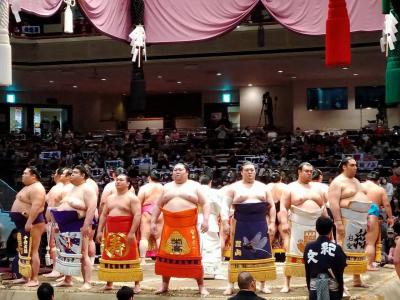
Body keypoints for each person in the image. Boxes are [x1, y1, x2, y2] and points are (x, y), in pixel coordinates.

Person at [150, 163, 210, 296]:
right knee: (166, 256)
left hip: (188, 226)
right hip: (169, 226)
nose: (177, 172)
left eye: (180, 169)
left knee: (193, 256)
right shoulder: (166, 187)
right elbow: (158, 205)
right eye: (175, 169)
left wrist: (206, 220)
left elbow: (205, 203)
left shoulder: (195, 186)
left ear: (187, 172)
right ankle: (165, 285)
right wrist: (153, 221)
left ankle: (201, 286)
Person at [222, 162, 277, 295]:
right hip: (241, 223)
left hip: (260, 222)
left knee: (262, 252)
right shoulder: (233, 187)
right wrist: (225, 222)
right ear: (241, 172)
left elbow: (272, 207)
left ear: (255, 172)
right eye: (247, 170)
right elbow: (224, 206)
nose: (250, 172)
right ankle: (231, 284)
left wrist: (272, 223)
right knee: (237, 253)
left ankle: (263, 284)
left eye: (252, 170)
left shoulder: (263, 187)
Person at [279, 162, 327, 293]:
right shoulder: (290, 187)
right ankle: (286, 283)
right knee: (291, 252)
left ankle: (315, 282)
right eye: (306, 171)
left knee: (317, 254)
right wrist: (284, 222)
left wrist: (327, 224)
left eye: (311, 171)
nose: (309, 173)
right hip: (297, 223)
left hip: (316, 224)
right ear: (299, 172)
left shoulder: (318, 188)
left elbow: (323, 208)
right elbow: (283, 206)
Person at [51, 165, 97, 290]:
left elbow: (92, 208)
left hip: (79, 224)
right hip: (66, 224)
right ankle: (67, 279)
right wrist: (57, 223)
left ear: (83, 175)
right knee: (66, 252)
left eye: (75, 172)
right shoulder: (73, 188)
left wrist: (86, 225)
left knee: (83, 253)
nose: (72, 174)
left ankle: (87, 282)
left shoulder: (87, 189)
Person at [328, 157, 371, 288]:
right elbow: (333, 203)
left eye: (356, 165)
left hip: (361, 219)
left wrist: (367, 217)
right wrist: (338, 222)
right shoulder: (337, 182)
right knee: (342, 249)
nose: (355, 167)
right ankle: (337, 279)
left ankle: (356, 279)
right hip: (347, 219)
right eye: (352, 165)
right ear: (344, 167)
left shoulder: (356, 181)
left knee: (358, 250)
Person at [96, 173, 142, 292]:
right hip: (111, 230)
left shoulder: (132, 198)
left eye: (121, 180)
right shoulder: (110, 198)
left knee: (131, 255)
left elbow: (137, 215)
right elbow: (104, 215)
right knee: (110, 256)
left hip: (126, 230)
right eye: (117, 180)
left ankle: (137, 284)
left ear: (128, 183)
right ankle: (109, 282)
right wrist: (100, 230)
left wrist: (132, 232)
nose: (118, 182)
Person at [10, 167, 46, 287]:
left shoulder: (37, 188)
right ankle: (25, 277)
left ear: (33, 176)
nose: (23, 175)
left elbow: (37, 207)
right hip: (24, 222)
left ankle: (34, 279)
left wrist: (29, 222)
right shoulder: (28, 187)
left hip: (33, 222)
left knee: (33, 250)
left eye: (25, 173)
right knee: (24, 250)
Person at [304, 217, 346, 300]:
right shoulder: (336, 248)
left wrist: (310, 289)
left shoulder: (308, 247)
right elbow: (340, 273)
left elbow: (308, 271)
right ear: (331, 230)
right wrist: (340, 291)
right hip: (333, 292)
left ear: (316, 229)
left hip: (314, 290)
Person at [362, 171, 394, 271]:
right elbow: (387, 205)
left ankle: (355, 262)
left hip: (356, 213)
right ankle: (368, 264)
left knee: (357, 240)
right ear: (378, 180)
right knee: (370, 242)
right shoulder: (380, 189)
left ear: (366, 179)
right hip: (371, 212)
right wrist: (390, 217)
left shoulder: (359, 186)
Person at [198, 174, 225, 279]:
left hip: (196, 220)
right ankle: (216, 272)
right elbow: (222, 207)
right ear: (210, 182)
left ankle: (199, 271)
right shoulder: (216, 193)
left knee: (199, 245)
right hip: (211, 219)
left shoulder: (196, 192)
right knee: (213, 246)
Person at [137, 169, 163, 264]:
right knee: (159, 237)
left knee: (144, 237)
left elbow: (138, 202)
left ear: (149, 178)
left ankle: (142, 259)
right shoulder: (163, 188)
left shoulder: (144, 188)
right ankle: (160, 259)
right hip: (160, 211)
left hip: (147, 211)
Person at [266, 170, 288, 253]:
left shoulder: (266, 187)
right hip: (281, 211)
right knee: (285, 235)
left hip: (269, 211)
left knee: (270, 233)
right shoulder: (285, 187)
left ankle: (267, 256)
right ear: (281, 178)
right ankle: (287, 258)